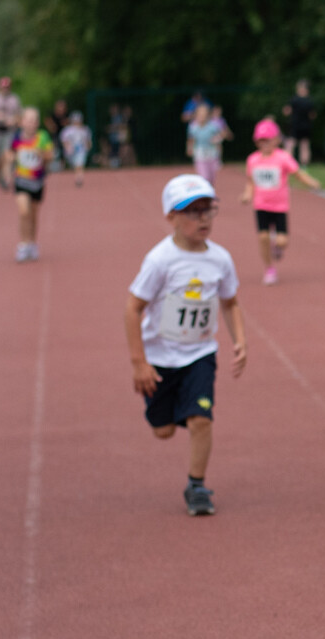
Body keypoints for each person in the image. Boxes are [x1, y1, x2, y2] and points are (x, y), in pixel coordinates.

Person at [124, 174, 247, 516]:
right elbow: (132, 309)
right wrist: (139, 362)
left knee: (201, 419)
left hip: (200, 354)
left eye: (208, 210)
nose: (203, 218)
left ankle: (196, 485)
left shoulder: (220, 259)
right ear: (171, 217)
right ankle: (178, 409)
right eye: (192, 212)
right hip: (160, 358)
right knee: (163, 430)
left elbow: (231, 302)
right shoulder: (160, 260)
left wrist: (240, 340)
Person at [240, 118, 321, 286]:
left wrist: (311, 182)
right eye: (261, 141)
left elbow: (298, 174)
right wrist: (247, 195)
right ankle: (269, 269)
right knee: (262, 237)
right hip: (261, 205)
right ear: (256, 142)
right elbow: (250, 182)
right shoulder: (252, 160)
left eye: (268, 140)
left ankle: (277, 246)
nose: (265, 144)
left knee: (282, 241)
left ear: (276, 140)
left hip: (279, 207)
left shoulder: (283, 158)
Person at [3, 107, 55, 261]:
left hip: (37, 182)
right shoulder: (16, 138)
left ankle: (32, 242)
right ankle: (23, 244)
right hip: (21, 180)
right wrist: (7, 171)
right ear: (22, 122)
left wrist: (42, 154)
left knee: (33, 215)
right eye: (28, 120)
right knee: (23, 211)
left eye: (34, 120)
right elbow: (9, 155)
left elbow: (50, 156)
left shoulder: (42, 137)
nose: (32, 123)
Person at [0, 76, 21, 178]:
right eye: (3, 87)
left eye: (7, 87)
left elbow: (20, 115)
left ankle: (7, 177)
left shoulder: (14, 99)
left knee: (7, 153)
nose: (5, 89)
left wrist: (13, 120)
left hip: (9, 131)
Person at [282, 79, 317, 167]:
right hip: (306, 126)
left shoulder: (294, 100)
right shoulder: (310, 101)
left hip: (294, 125)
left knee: (290, 145)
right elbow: (312, 115)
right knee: (304, 146)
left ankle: (287, 165)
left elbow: (286, 112)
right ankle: (304, 166)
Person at [186, 104, 222, 185]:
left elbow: (219, 138)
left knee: (211, 177)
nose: (202, 117)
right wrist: (189, 149)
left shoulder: (213, 127)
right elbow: (191, 139)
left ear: (208, 116)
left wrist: (216, 142)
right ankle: (205, 192)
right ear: (196, 116)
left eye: (204, 115)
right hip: (200, 154)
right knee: (204, 177)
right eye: (200, 115)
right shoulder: (193, 128)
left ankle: (210, 192)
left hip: (212, 154)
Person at [59, 110, 92, 187]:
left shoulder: (85, 130)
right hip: (71, 151)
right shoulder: (68, 130)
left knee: (79, 164)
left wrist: (88, 146)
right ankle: (78, 176)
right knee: (75, 165)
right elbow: (64, 140)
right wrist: (67, 147)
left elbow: (88, 140)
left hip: (81, 150)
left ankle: (79, 178)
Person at [44, 98, 69, 168]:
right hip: (55, 136)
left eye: (63, 107)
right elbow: (47, 122)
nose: (61, 109)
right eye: (60, 106)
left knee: (63, 153)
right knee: (55, 151)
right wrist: (51, 126)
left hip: (65, 137)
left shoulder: (66, 115)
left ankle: (63, 166)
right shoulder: (52, 115)